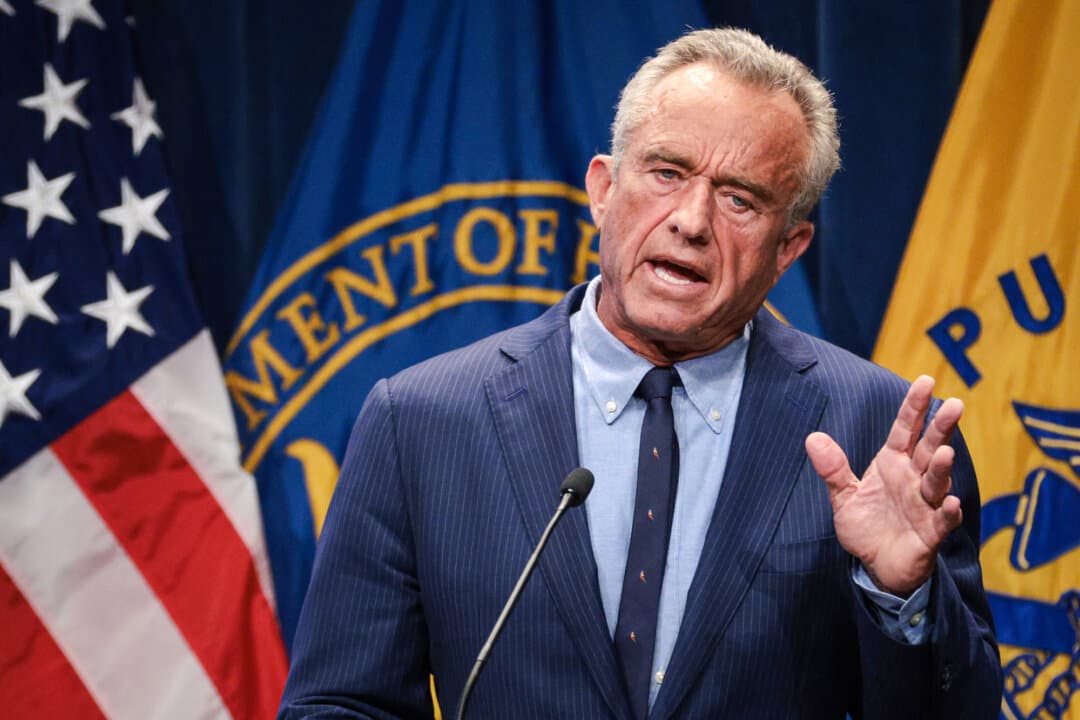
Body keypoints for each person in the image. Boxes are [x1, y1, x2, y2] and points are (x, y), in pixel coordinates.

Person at [278, 28, 1001, 719]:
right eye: (667, 172)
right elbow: (341, 705)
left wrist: (898, 593)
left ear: (790, 246)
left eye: (740, 199)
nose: (691, 220)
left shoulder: (876, 432)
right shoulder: (423, 421)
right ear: (602, 188)